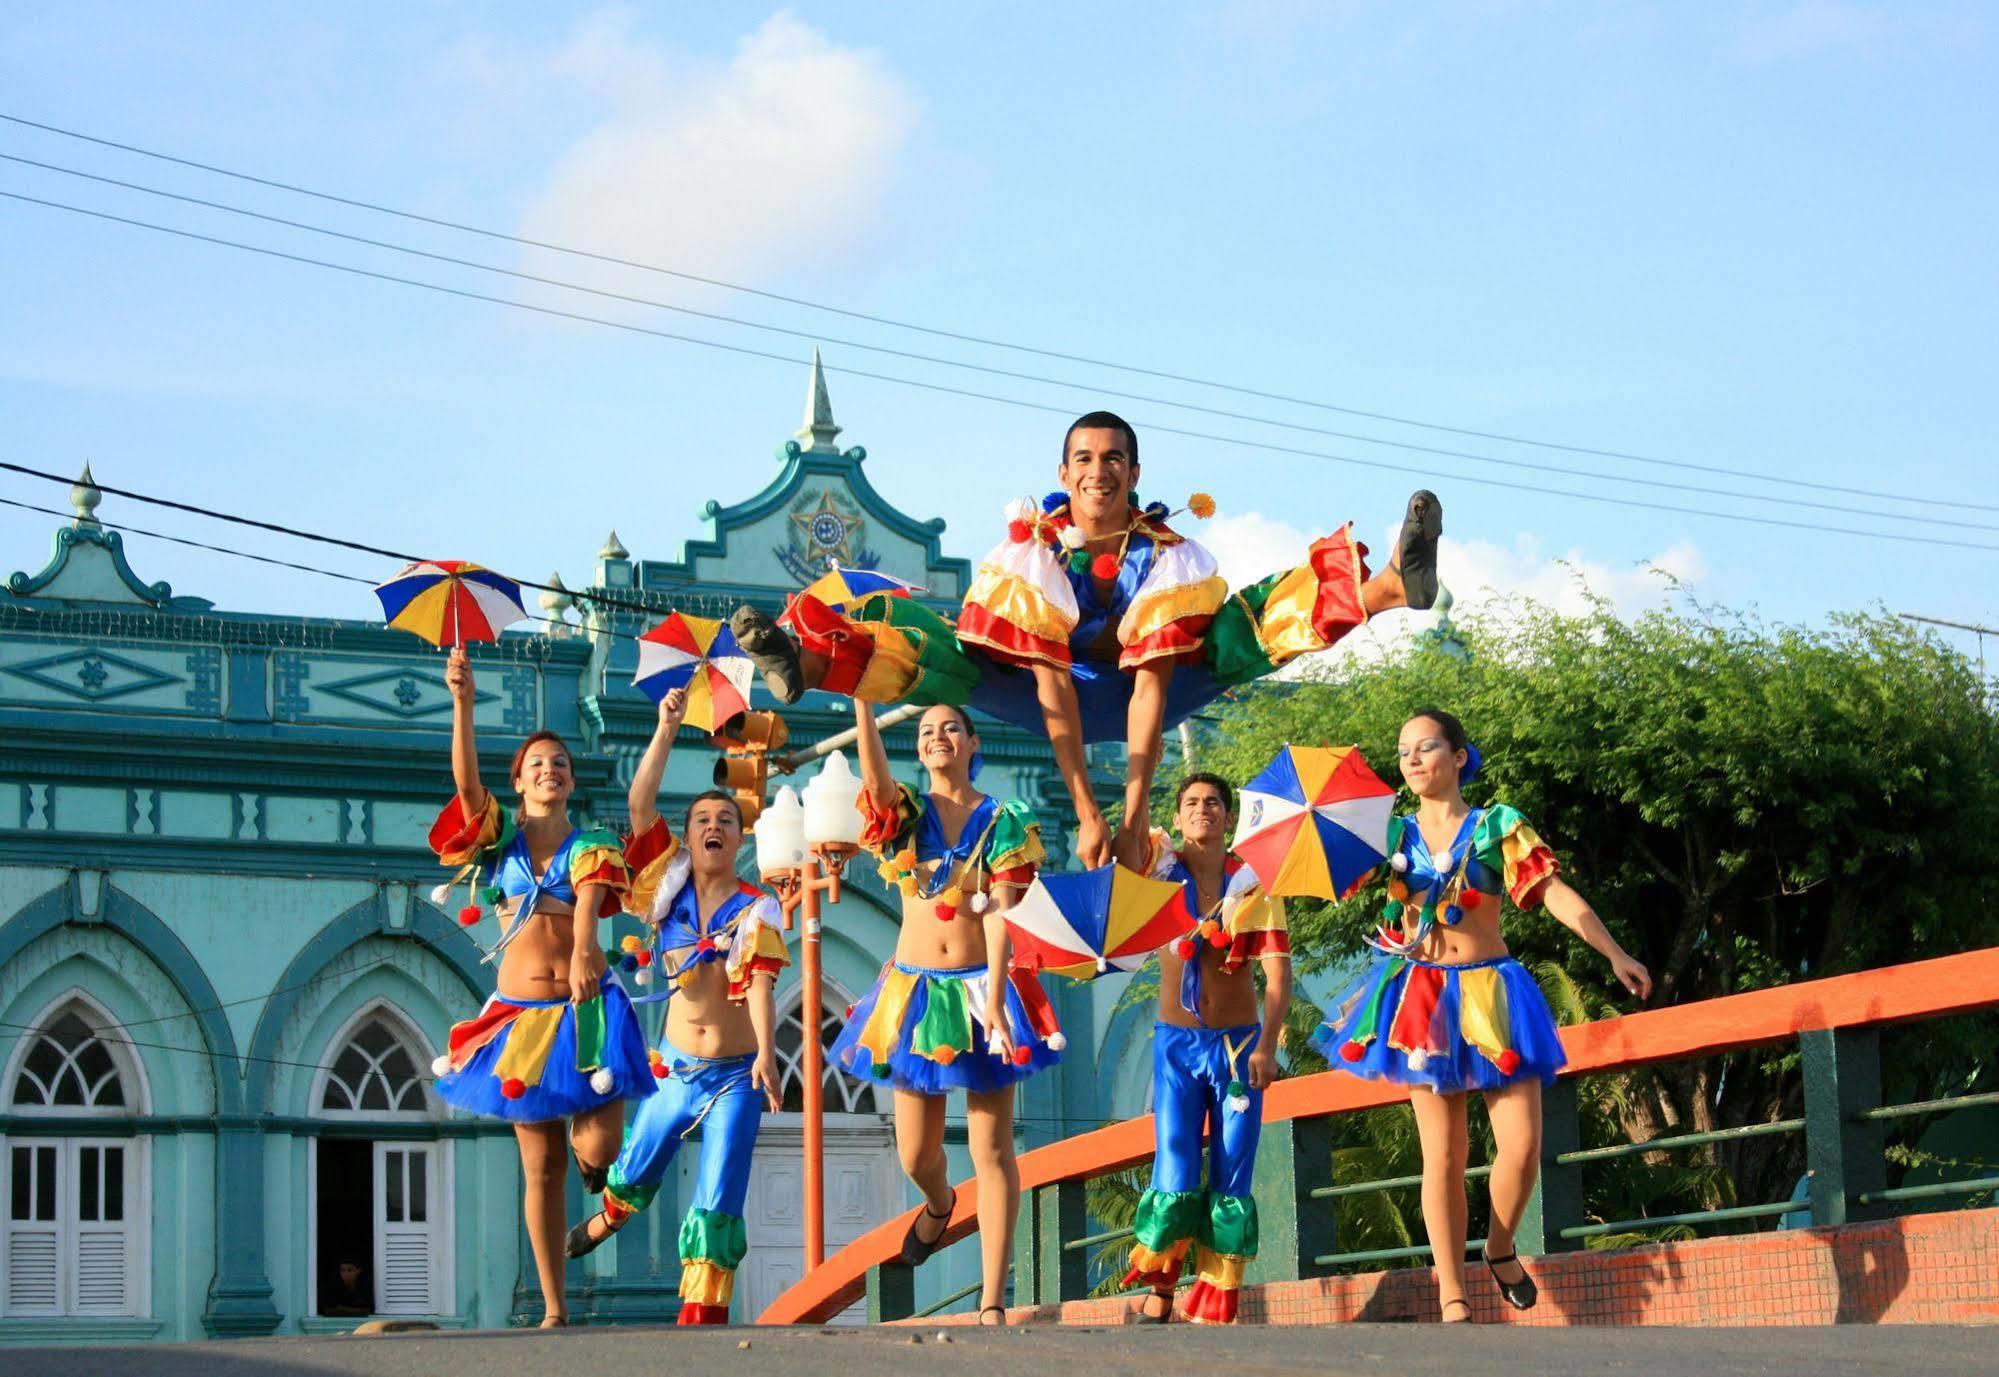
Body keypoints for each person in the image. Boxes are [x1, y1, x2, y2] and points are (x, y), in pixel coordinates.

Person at [730, 411, 1443, 870]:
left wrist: (1132, 820)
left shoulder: (1169, 557)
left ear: (1133, 474)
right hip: (1044, 695)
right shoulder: (1029, 557)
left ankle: (1387, 584)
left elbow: (1153, 692)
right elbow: (1052, 689)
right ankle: (809, 659)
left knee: (1246, 624)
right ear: (1063, 474)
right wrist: (1084, 811)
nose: (1098, 470)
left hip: (1149, 692)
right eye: (1084, 458)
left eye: (1113, 459)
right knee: (940, 650)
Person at [1313, 709, 1652, 1323]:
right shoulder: (1389, 837)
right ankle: (1452, 1293)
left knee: (1521, 1147)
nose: (1412, 759)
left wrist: (1616, 952)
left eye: (1427, 746)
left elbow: (1553, 894)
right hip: (1421, 998)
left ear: (1460, 756)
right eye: (1404, 750)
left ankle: (1498, 1249)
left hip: (1494, 991)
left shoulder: (1499, 825)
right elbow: (1324, 872)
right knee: (1441, 1154)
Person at [426, 646, 655, 1328]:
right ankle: (555, 1306)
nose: (549, 769)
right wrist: (463, 702)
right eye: (536, 764)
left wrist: (587, 945)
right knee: (541, 1165)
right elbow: (467, 788)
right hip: (521, 1018)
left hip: (586, 1007)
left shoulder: (593, 843)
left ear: (570, 779)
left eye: (559, 762)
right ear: (519, 783)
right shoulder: (499, 844)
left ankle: (600, 1174)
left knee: (600, 1147)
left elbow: (589, 901)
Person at [560, 687, 789, 1326]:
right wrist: (665, 726)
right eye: (702, 821)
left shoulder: (757, 906)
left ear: (741, 838)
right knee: (637, 1163)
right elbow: (638, 804)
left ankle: (702, 1323)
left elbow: (763, 982)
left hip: (735, 1077)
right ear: (687, 838)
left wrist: (769, 1053)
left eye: (726, 821)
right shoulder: (666, 889)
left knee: (718, 1196)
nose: (714, 826)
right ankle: (608, 1215)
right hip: (675, 1068)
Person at [828, 699, 1062, 1325]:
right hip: (915, 992)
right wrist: (864, 698)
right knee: (914, 1154)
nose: (937, 738)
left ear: (972, 740)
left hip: (979, 986)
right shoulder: (906, 812)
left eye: (950, 728)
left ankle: (991, 1298)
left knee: (991, 1146)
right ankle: (938, 1204)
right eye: (927, 731)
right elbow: (874, 784)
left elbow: (1002, 914)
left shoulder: (1003, 819)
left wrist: (993, 997)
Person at [1122, 772, 1291, 1324]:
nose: (1203, 810)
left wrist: (1267, 1044)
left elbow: (1277, 976)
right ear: (1177, 818)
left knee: (1232, 1167)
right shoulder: (1159, 875)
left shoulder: (1256, 885)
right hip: (1177, 1046)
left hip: (1240, 1049)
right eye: (1191, 803)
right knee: (1174, 1161)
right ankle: (1164, 1281)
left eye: (1213, 803)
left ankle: (1219, 1293)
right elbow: (1118, 848)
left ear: (1227, 816)